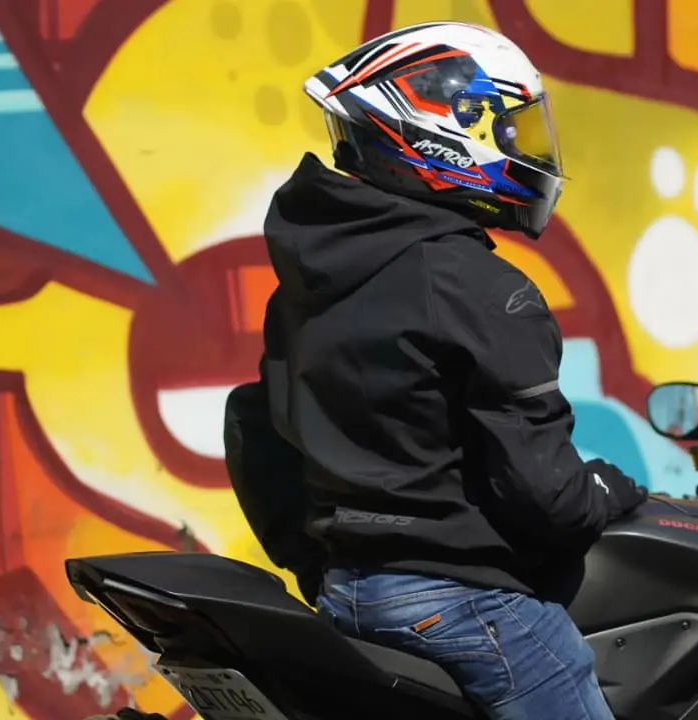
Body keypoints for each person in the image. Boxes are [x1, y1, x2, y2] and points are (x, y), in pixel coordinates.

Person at [230, 21, 649, 720]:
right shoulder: (475, 286)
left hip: (349, 596)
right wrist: (607, 490)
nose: (522, 146)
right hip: (467, 605)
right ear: (438, 134)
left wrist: (322, 568)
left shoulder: (309, 279)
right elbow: (548, 500)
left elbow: (256, 434)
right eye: (506, 127)